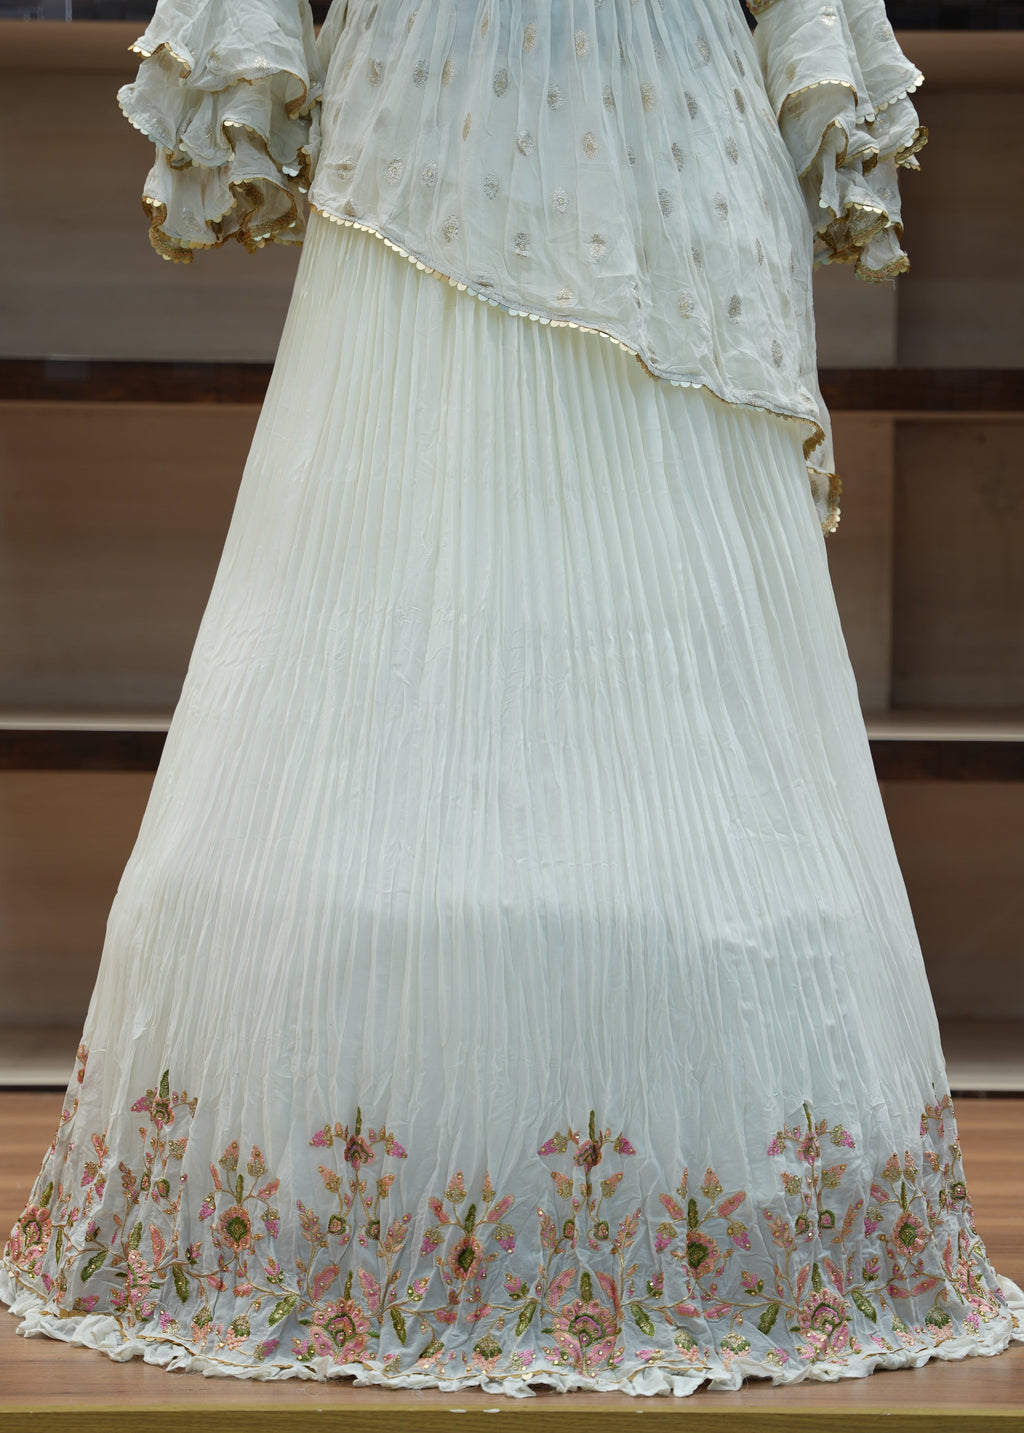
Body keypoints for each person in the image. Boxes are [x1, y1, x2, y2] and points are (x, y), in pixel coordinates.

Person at [2, 0, 1021, 1397]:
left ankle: (716, 1204)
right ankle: (357, 1195)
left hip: (649, 122)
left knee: (662, 631)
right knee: (403, 559)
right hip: (447, 100)